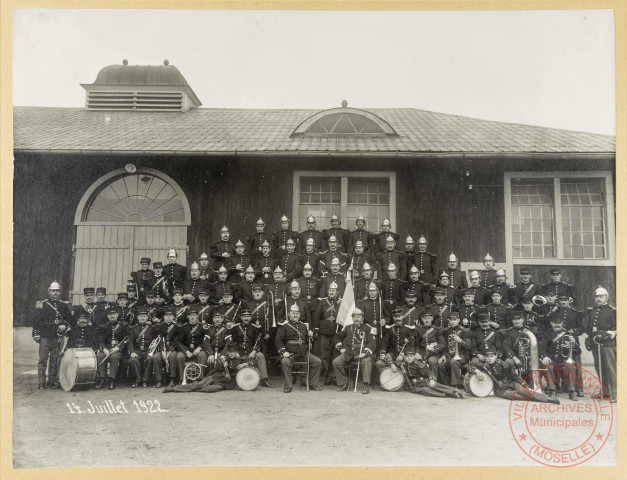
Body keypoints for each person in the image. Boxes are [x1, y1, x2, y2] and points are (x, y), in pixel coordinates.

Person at [474, 349, 559, 404]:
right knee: (515, 396)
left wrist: (524, 384)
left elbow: (515, 375)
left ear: (496, 356)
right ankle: (534, 397)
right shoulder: (484, 365)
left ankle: (548, 399)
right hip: (499, 389)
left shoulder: (505, 364)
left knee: (524, 391)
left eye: (491, 356)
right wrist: (477, 371)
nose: (489, 359)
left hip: (511, 383)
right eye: (487, 357)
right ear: (485, 357)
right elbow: (470, 367)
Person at [163, 342, 247, 393]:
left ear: (236, 352)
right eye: (230, 352)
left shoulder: (240, 360)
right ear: (227, 353)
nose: (232, 353)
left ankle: (192, 389)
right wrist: (221, 362)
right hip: (215, 378)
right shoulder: (224, 359)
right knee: (197, 385)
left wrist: (244, 365)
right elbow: (218, 369)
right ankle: (174, 389)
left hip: (223, 384)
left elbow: (251, 362)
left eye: (233, 352)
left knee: (209, 390)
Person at [33, 281, 72, 389]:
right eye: (53, 291)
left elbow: (70, 320)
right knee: (43, 360)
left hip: (57, 337)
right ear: (49, 292)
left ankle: (52, 382)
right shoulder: (43, 304)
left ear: (60, 292)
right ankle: (41, 383)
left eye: (57, 291)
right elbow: (36, 320)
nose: (55, 293)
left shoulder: (64, 305)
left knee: (55, 360)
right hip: (45, 336)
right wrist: (36, 334)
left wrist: (64, 325)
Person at [276, 304, 323, 393]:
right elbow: (278, 340)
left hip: (303, 353)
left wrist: (310, 336)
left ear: (299, 315)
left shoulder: (303, 326)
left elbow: (307, 341)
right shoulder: (284, 326)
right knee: (285, 362)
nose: (295, 315)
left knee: (317, 362)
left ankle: (313, 383)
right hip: (290, 354)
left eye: (297, 313)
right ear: (289, 314)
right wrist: (283, 352)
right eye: (293, 313)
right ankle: (288, 386)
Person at [333, 308, 376, 394]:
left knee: (366, 361)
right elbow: (337, 337)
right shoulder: (348, 327)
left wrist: (364, 353)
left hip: (363, 353)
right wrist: (341, 347)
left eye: (359, 317)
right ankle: (344, 383)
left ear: (362, 318)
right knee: (336, 362)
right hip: (349, 352)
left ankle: (366, 384)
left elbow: (372, 343)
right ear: (352, 318)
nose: (356, 319)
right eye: (355, 317)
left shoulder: (368, 328)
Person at [585, 286, 616, 402]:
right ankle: (605, 392)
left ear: (606, 297)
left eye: (601, 296)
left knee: (610, 369)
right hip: (595, 343)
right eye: (596, 296)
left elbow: (616, 326)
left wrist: (605, 335)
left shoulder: (612, 311)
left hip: (607, 343)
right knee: (599, 368)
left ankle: (616, 394)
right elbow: (589, 327)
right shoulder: (592, 310)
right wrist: (588, 339)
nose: (598, 299)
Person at [230, 309, 275, 388]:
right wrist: (235, 351)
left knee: (260, 356)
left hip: (251, 350)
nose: (246, 318)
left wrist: (254, 351)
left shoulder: (255, 328)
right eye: (244, 316)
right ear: (241, 318)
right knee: (231, 356)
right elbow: (233, 341)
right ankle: (233, 380)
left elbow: (258, 341)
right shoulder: (235, 327)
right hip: (239, 350)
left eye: (248, 316)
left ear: (251, 318)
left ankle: (264, 379)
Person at [541, 316, 580, 402]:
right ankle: (552, 390)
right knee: (547, 366)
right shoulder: (546, 334)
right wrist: (545, 356)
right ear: (551, 323)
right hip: (552, 359)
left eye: (559, 323)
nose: (557, 325)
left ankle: (571, 391)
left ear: (562, 323)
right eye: (555, 323)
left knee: (571, 366)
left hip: (564, 359)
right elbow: (542, 347)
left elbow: (578, 351)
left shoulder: (570, 334)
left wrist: (574, 344)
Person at [400, 348, 465, 398]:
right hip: (415, 386)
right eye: (407, 356)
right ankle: (450, 394)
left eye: (411, 356)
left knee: (436, 386)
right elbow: (397, 362)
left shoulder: (418, 364)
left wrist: (431, 379)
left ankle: (458, 391)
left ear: (414, 357)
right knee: (426, 391)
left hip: (423, 381)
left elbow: (429, 372)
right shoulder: (403, 364)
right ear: (404, 358)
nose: (409, 358)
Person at [172, 306, 212, 382]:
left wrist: (199, 348)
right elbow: (178, 342)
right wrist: (186, 351)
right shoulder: (183, 327)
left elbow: (205, 340)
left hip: (198, 348)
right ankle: (182, 379)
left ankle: (200, 379)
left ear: (197, 316)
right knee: (179, 356)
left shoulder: (202, 327)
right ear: (188, 316)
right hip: (186, 348)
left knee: (202, 355)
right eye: (191, 315)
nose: (192, 317)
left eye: (194, 315)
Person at [313, 281, 342, 384]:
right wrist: (316, 329)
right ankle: (326, 376)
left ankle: (334, 377)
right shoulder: (322, 302)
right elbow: (317, 316)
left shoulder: (341, 302)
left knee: (335, 354)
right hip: (324, 332)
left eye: (333, 290)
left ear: (337, 292)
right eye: (330, 290)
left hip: (336, 331)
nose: (331, 292)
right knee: (325, 355)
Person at [128, 307, 163, 388]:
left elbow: (157, 338)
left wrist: (153, 348)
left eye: (144, 316)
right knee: (133, 360)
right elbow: (130, 342)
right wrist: (132, 352)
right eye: (141, 316)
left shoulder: (152, 327)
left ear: (147, 317)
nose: (142, 318)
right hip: (138, 351)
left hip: (148, 350)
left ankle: (145, 380)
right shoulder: (133, 328)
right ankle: (138, 380)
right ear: (137, 317)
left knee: (149, 359)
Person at [96, 306, 128, 390]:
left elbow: (126, 340)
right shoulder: (103, 327)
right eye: (110, 314)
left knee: (114, 357)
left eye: (114, 314)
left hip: (118, 350)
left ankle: (112, 379)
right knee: (100, 356)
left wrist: (118, 348)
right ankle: (102, 378)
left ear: (117, 315)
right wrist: (104, 349)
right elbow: (100, 340)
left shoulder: (123, 326)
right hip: (107, 349)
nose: (112, 316)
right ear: (107, 316)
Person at [375, 307, 414, 374]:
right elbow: (385, 343)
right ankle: (393, 376)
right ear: (393, 318)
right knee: (379, 363)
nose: (398, 318)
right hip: (393, 353)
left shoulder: (408, 329)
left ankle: (401, 377)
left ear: (403, 316)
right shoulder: (390, 329)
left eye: (399, 316)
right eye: (395, 317)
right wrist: (383, 353)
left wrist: (402, 354)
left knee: (407, 364)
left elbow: (412, 344)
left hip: (406, 354)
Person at [437, 312, 472, 389]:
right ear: (448, 321)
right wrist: (444, 355)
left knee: (454, 361)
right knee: (441, 364)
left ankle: (456, 385)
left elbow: (469, 346)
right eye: (451, 320)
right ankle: (445, 385)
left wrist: (460, 341)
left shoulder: (465, 331)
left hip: (463, 355)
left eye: (455, 320)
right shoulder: (447, 331)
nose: (453, 321)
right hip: (450, 354)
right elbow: (445, 346)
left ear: (459, 320)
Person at [414, 310, 445, 378]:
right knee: (415, 360)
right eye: (425, 318)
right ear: (422, 319)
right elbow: (416, 345)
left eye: (429, 318)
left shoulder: (437, 330)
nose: (427, 320)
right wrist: (417, 353)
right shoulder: (418, 330)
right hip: (422, 353)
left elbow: (442, 344)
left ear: (432, 319)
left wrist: (433, 348)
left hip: (434, 353)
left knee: (432, 361)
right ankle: (420, 381)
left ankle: (434, 381)